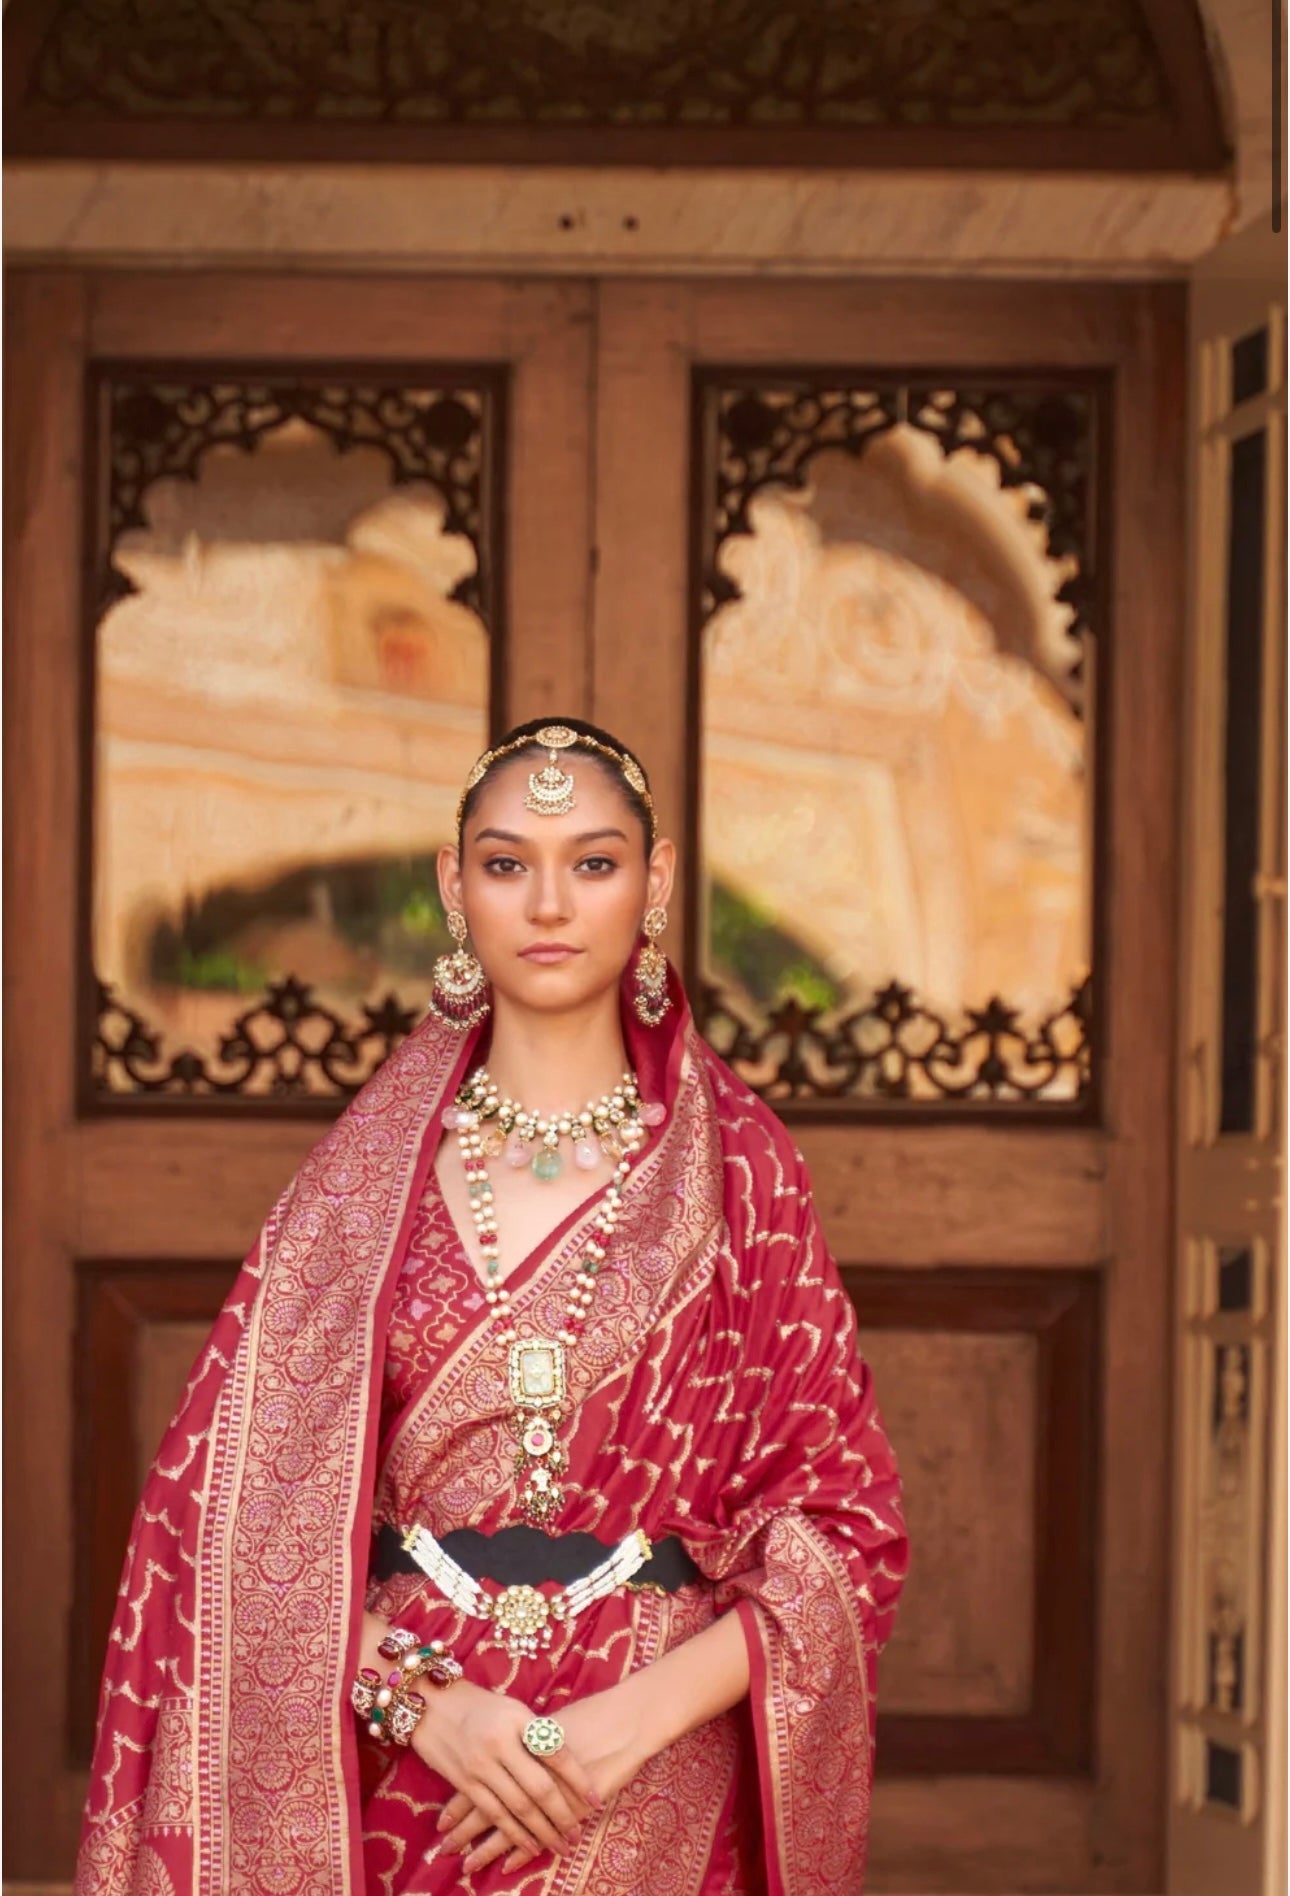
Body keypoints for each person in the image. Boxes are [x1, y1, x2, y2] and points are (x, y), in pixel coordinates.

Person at [76, 717, 908, 1896]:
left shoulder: (739, 1173)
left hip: (658, 1769)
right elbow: (222, 1530)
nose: (551, 904)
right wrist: (424, 1707)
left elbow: (843, 1526)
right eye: (508, 863)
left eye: (597, 862)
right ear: (452, 886)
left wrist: (618, 1735)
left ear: (655, 881)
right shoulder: (362, 1186)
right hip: (399, 1768)